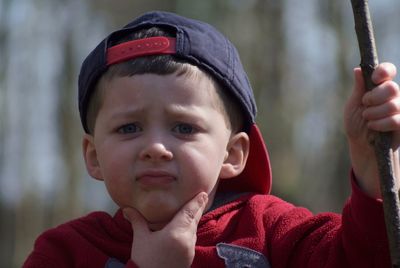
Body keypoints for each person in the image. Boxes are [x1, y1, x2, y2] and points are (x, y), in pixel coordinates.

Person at [23, 11, 400, 268]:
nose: (155, 147)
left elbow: (367, 257)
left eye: (184, 128)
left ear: (233, 153)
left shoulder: (271, 231)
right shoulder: (65, 253)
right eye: (128, 128)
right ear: (92, 156)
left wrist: (373, 168)